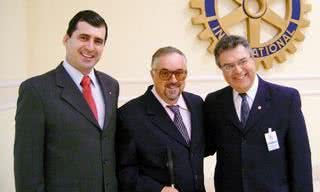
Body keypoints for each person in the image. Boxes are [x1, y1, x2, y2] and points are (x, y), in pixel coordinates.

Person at [14, 10, 119, 192]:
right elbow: (27, 166)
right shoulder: (36, 90)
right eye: (84, 37)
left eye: (98, 41)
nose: (90, 47)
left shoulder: (111, 86)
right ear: (66, 39)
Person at [204, 35, 313, 192]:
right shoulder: (214, 102)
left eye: (242, 62)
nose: (238, 70)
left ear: (253, 59)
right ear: (221, 70)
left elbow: (300, 158)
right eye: (228, 66)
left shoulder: (285, 99)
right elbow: (204, 146)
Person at [116, 46, 206, 192]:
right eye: (165, 73)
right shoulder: (129, 115)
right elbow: (124, 171)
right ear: (152, 74)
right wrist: (158, 190)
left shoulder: (197, 104)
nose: (173, 80)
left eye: (179, 73)